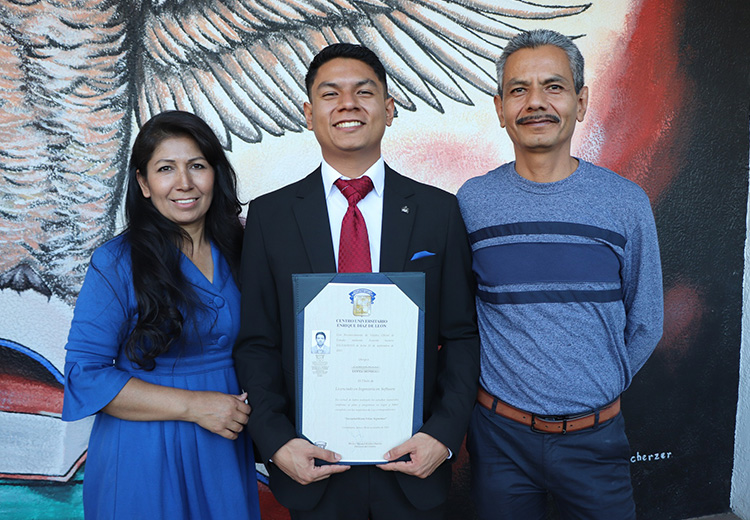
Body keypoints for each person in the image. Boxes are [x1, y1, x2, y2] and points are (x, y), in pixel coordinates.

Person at [233, 43, 479, 520]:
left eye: (364, 92)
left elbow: (462, 337)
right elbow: (257, 343)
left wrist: (443, 436)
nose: (348, 104)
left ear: (389, 109)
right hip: (312, 469)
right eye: (330, 94)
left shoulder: (438, 211)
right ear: (309, 114)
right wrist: (277, 442)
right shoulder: (269, 217)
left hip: (414, 467)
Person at [456, 29, 664, 519]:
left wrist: (597, 385)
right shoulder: (472, 202)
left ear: (581, 101)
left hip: (596, 440)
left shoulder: (624, 202)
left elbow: (647, 320)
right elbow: (462, 318)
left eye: (553, 86)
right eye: (518, 89)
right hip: (499, 440)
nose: (535, 103)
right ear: (500, 108)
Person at [62, 111, 261, 519]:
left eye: (197, 166)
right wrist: (193, 406)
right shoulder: (116, 262)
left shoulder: (247, 247)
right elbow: (85, 375)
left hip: (225, 448)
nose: (184, 183)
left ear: (216, 174)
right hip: (143, 454)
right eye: (165, 169)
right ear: (143, 183)